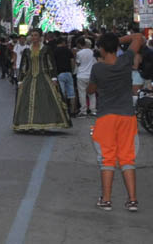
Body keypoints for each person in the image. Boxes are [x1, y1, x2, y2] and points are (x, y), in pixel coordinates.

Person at [88, 32, 144, 212]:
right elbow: (138, 37)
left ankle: (106, 200)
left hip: (106, 117)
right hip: (127, 116)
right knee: (127, 158)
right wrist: (115, 41)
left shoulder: (98, 68)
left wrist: (109, 42)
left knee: (107, 159)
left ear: (102, 49)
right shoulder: (125, 60)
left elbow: (91, 90)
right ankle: (133, 200)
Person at [12, 28, 71, 132]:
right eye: (32, 35)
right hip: (29, 77)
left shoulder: (46, 49)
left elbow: (51, 64)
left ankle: (43, 124)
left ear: (40, 37)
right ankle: (29, 124)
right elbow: (24, 66)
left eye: (35, 35)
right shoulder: (27, 50)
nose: (33, 37)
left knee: (44, 101)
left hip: (43, 76)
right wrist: (20, 80)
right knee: (26, 101)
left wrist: (53, 78)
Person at [53, 37, 77, 115]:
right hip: (68, 73)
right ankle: (73, 111)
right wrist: (72, 71)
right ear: (63, 42)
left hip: (59, 74)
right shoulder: (68, 50)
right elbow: (72, 61)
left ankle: (63, 111)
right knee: (71, 93)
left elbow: (53, 63)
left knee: (61, 93)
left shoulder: (55, 51)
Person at [75, 37, 96, 117]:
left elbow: (78, 63)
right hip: (91, 75)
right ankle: (93, 110)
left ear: (79, 44)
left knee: (82, 93)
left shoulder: (79, 53)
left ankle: (83, 110)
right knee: (92, 93)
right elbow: (94, 62)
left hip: (81, 75)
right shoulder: (92, 52)